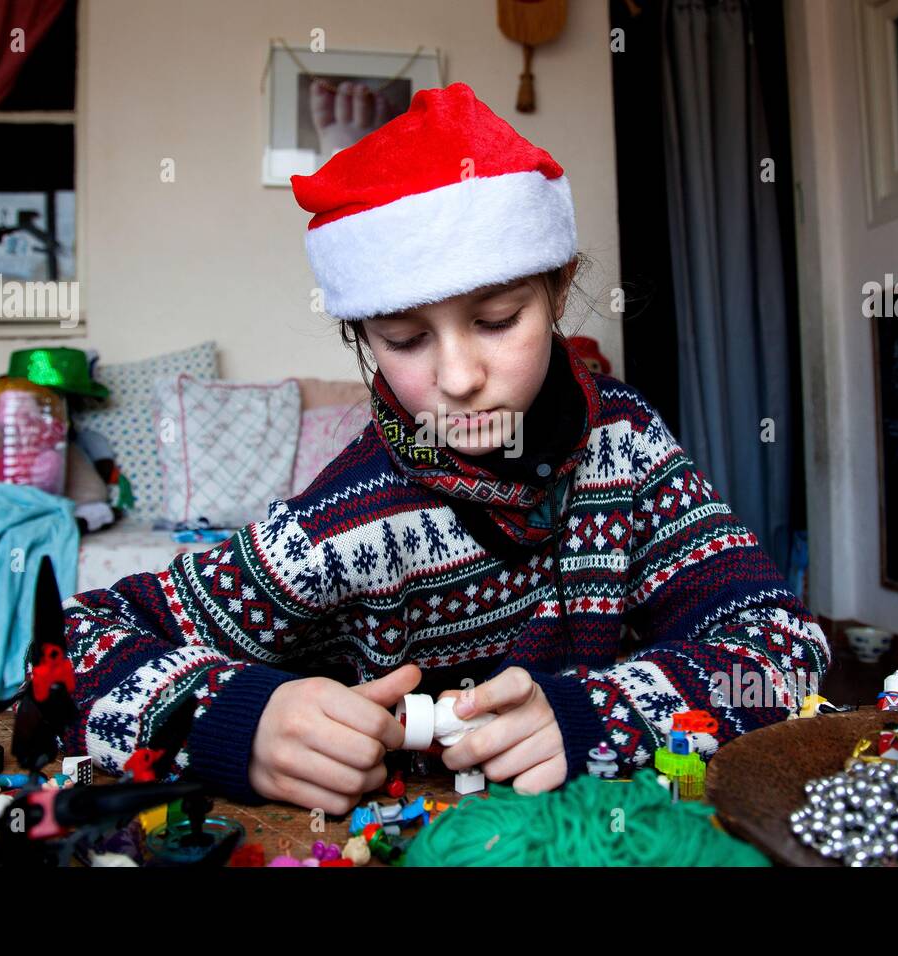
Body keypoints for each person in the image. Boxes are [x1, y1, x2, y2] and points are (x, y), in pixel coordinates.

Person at [62, 82, 830, 814]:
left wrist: (597, 714)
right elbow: (77, 647)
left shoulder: (627, 442)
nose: (459, 379)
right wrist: (238, 720)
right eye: (404, 338)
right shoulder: (340, 524)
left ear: (559, 290)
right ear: (362, 334)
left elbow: (786, 651)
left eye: (497, 320)